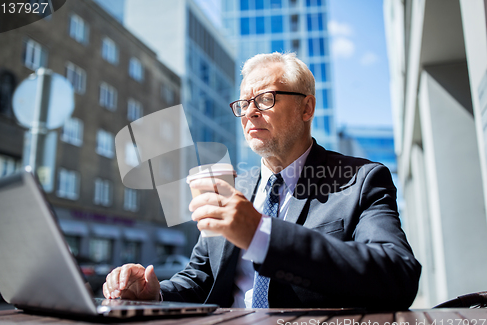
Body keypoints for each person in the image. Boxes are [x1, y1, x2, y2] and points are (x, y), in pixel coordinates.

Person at [103, 52, 421, 310]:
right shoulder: (234, 188)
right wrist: (154, 294)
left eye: (266, 99)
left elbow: (398, 275)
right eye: (243, 104)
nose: (250, 113)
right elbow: (201, 278)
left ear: (306, 107)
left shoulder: (360, 181)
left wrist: (261, 234)